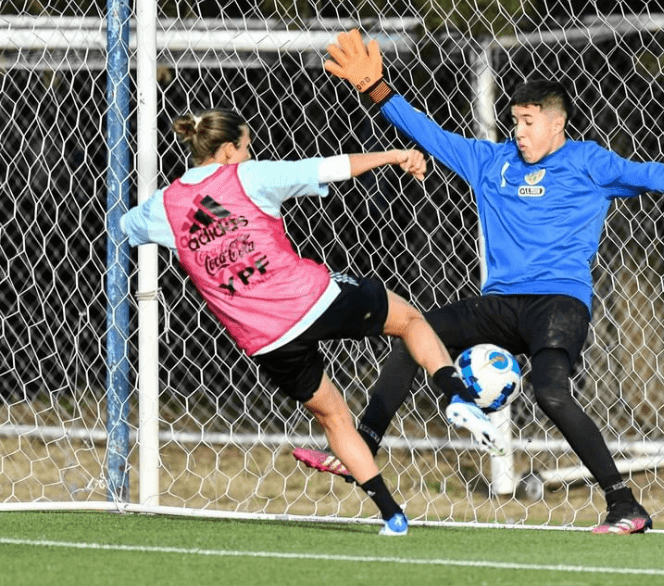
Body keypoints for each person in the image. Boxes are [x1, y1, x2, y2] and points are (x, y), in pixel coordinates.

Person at [308, 29, 664, 535]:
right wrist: (378, 91)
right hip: (500, 304)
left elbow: (655, 174)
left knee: (551, 394)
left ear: (557, 124)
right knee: (413, 334)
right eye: (515, 121)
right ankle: (363, 443)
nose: (519, 131)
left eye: (529, 121)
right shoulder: (491, 162)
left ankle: (624, 503)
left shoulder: (587, 161)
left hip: (558, 303)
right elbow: (428, 132)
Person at [119, 108, 504, 536]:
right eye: (245, 147)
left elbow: (124, 225)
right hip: (311, 300)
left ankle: (392, 516)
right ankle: (455, 395)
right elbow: (333, 167)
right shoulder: (250, 177)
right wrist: (395, 155)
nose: (250, 154)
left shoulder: (164, 207)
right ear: (228, 151)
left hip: (264, 339)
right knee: (411, 320)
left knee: (334, 418)